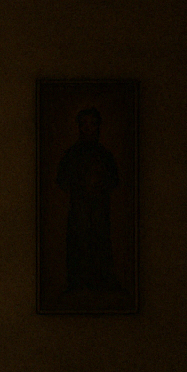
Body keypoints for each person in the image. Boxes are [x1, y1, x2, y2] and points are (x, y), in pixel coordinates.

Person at [56, 106, 122, 292]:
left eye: (92, 124)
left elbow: (113, 180)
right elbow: (62, 180)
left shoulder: (105, 156)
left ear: (98, 126)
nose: (88, 128)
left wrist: (99, 185)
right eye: (84, 124)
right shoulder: (71, 155)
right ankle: (77, 283)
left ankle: (102, 282)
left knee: (100, 242)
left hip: (100, 210)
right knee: (79, 242)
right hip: (79, 210)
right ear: (78, 126)